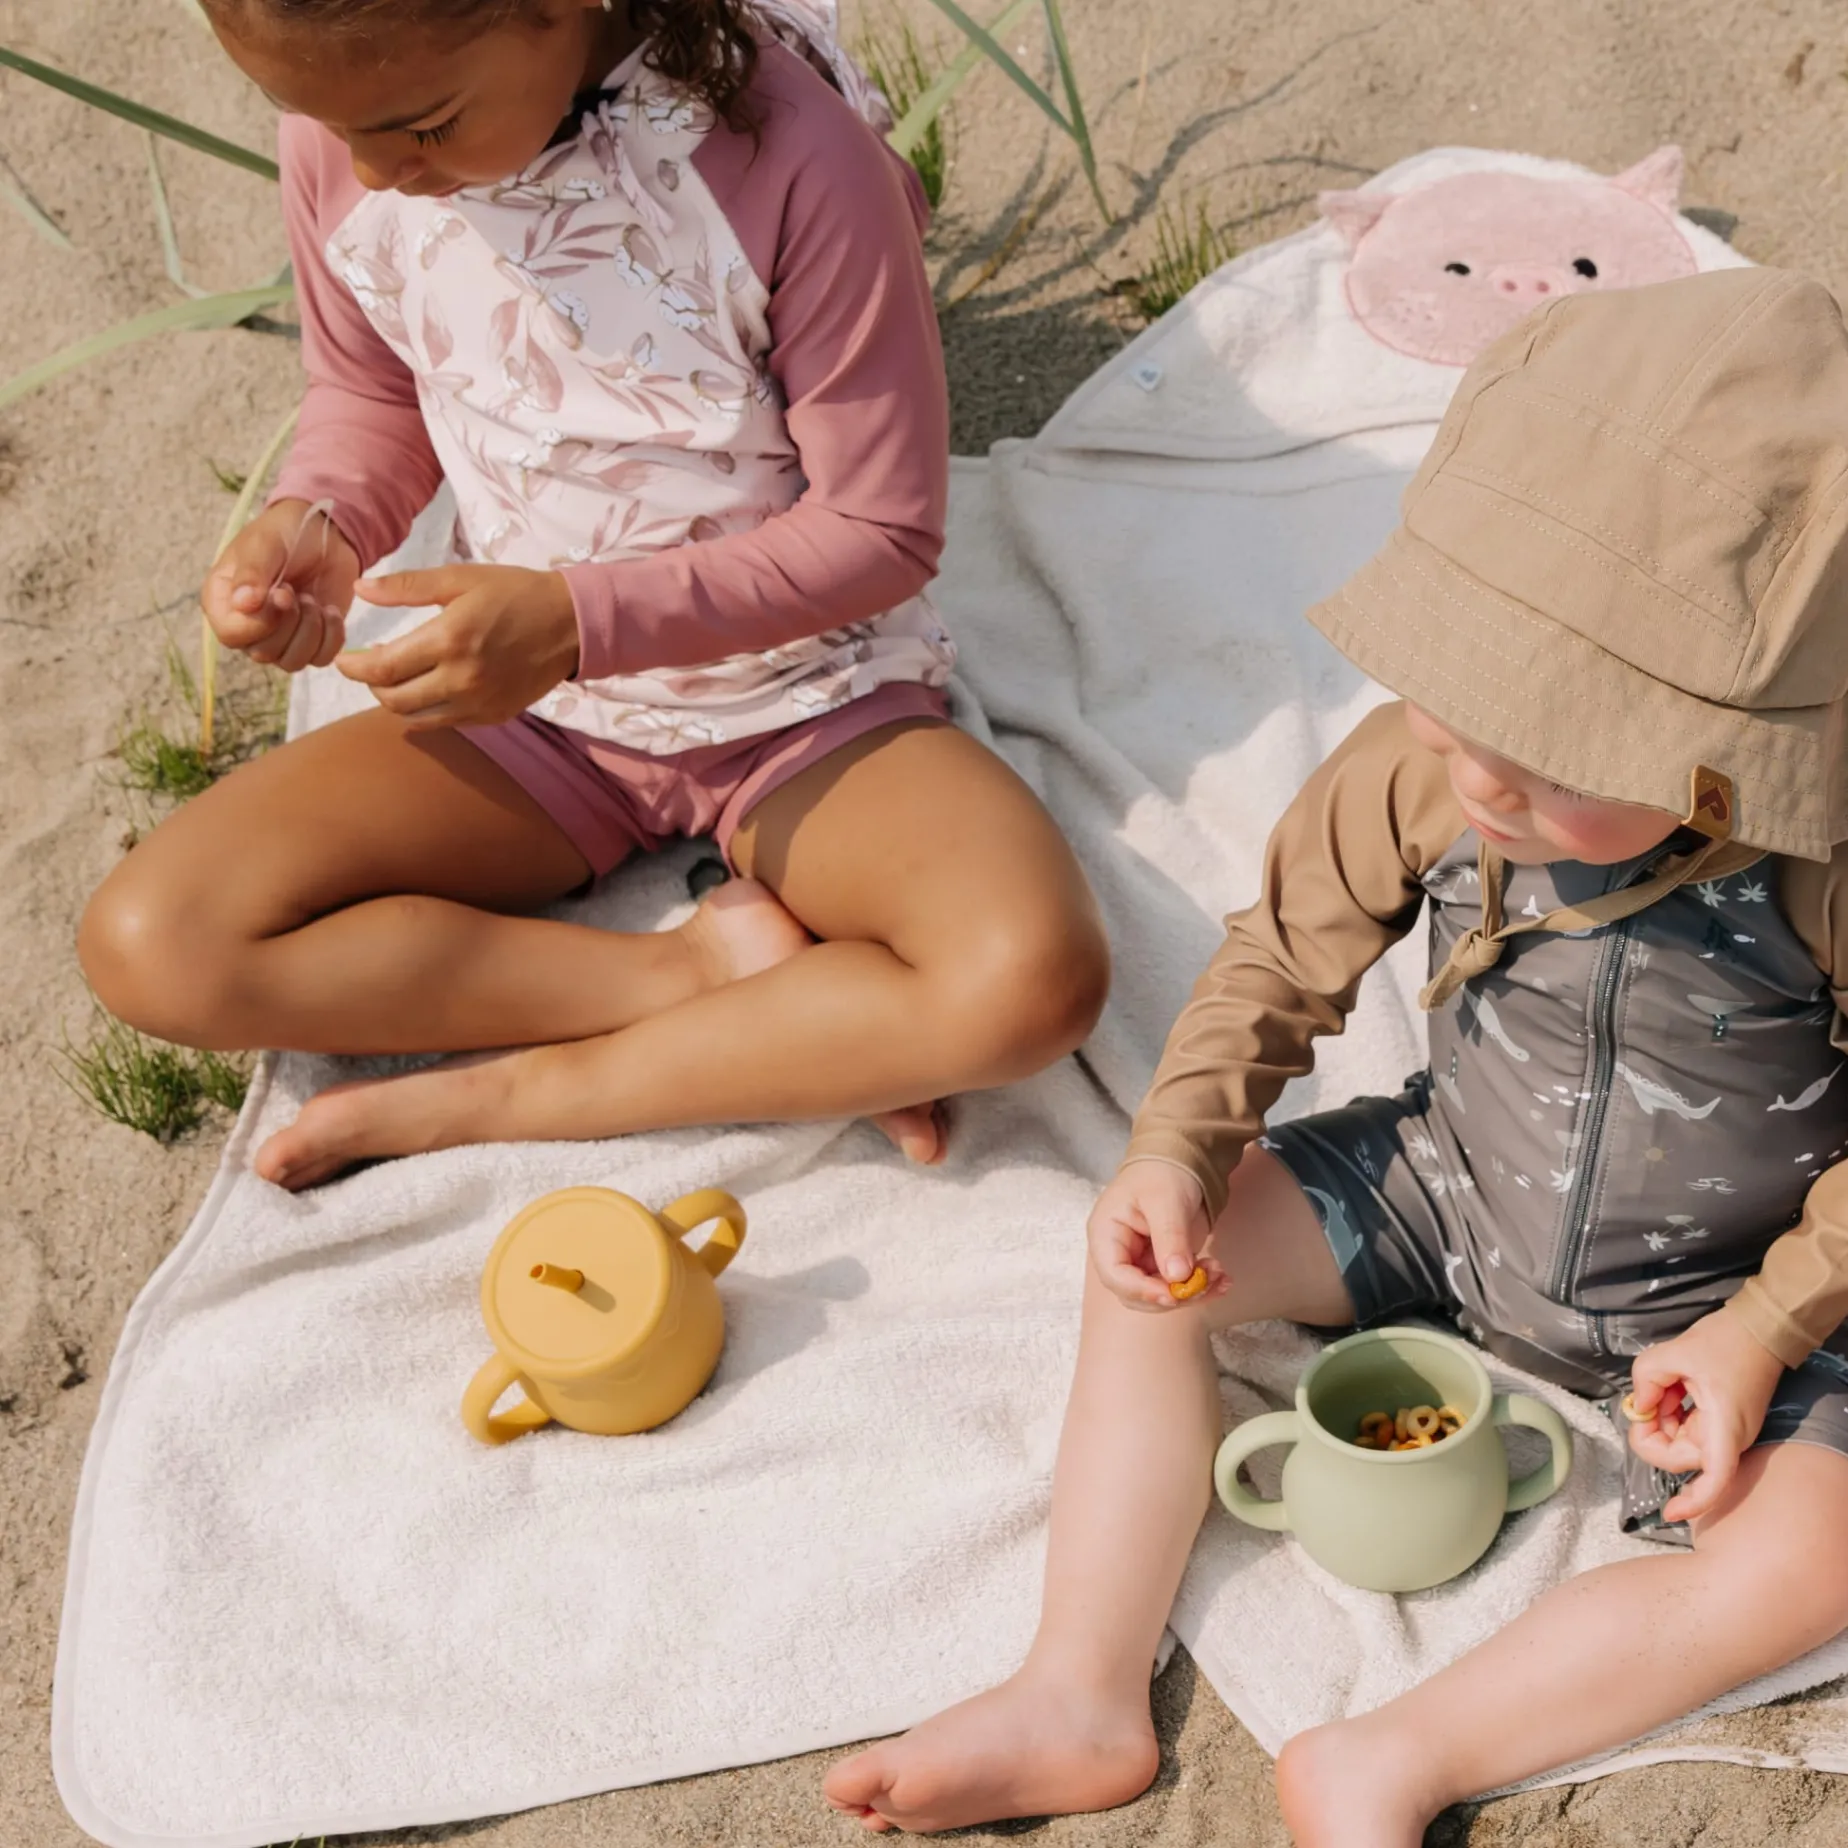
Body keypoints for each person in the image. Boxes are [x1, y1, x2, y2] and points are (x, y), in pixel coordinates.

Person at [825, 268, 1848, 1843]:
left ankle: (1395, 1756)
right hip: (1455, 1184)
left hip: (1743, 1276)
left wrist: (1767, 1328)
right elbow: (1281, 960)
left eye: (1553, 747)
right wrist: (1177, 1148)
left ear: (1732, 752)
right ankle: (1077, 1690)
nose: (1479, 776)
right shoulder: (1425, 769)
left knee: (1815, 1556)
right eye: (1454, 703)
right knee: (1149, 1265)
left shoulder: (1817, 863)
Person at [78, 0, 1108, 1186]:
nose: (370, 170)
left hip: (804, 701)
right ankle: (698, 979)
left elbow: (879, 528)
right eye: (323, 123)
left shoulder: (796, 161)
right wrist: (317, 519)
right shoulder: (357, 123)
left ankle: (521, 1093)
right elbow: (367, 391)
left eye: (424, 127)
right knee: (153, 943)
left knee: (1029, 976)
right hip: (526, 716)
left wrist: (576, 624)